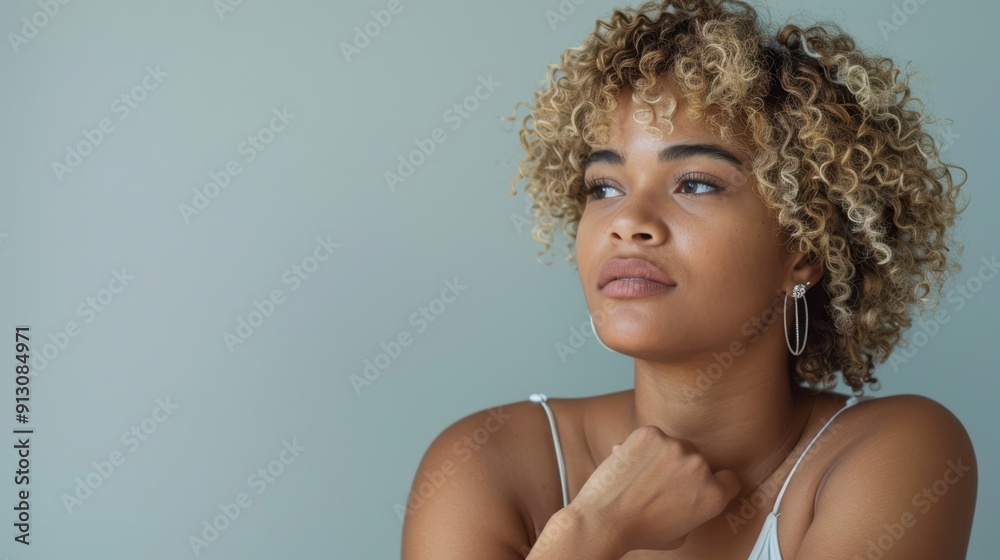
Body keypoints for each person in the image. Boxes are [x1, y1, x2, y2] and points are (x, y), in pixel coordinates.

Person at [401, 0, 977, 558]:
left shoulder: (894, 452)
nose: (627, 222)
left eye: (696, 183)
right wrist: (593, 531)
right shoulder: (486, 460)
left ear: (804, 248)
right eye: (605, 187)